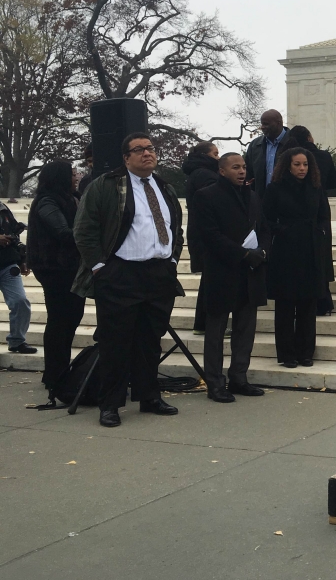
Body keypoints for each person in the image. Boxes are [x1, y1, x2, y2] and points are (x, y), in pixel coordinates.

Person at [73, 132, 184, 428]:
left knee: (150, 341)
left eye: (150, 148)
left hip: (158, 274)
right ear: (126, 158)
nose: (147, 153)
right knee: (115, 344)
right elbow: (84, 230)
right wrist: (100, 267)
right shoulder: (106, 186)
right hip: (120, 274)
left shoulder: (164, 187)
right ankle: (110, 404)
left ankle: (149, 397)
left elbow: (176, 228)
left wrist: (172, 259)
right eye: (138, 150)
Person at [192, 152, 268, 402]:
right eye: (236, 167)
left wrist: (262, 251)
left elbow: (263, 228)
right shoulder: (207, 196)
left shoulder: (253, 196)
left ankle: (239, 377)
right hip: (222, 271)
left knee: (245, 329)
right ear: (222, 171)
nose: (242, 171)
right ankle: (214, 382)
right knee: (216, 331)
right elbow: (210, 236)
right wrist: (243, 254)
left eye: (244, 166)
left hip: (251, 272)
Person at [262, 147, 331, 368]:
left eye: (305, 164)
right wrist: (283, 230)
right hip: (285, 251)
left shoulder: (315, 188)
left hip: (311, 249)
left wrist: (318, 235)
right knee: (285, 306)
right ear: (287, 166)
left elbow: (323, 216)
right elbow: (266, 219)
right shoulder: (275, 189)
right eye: (297, 164)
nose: (302, 168)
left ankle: (305, 352)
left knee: (308, 306)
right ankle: (287, 353)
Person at [26, 161, 84, 394]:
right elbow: (62, 232)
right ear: (60, 177)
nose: (77, 176)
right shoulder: (47, 201)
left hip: (70, 268)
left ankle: (57, 371)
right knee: (61, 320)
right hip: (54, 269)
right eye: (72, 174)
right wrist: (90, 233)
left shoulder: (72, 198)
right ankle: (55, 374)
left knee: (70, 318)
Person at [280, 126, 336, 315]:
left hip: (294, 215)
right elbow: (332, 183)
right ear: (309, 137)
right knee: (320, 257)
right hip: (317, 209)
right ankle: (323, 300)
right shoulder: (322, 156)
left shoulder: (284, 156)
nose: (302, 168)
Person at [182, 141, 220, 334]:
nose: (218, 158)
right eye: (215, 154)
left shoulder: (197, 174)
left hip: (199, 232)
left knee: (208, 281)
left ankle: (203, 323)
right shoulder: (206, 175)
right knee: (211, 281)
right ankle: (208, 324)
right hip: (207, 235)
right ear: (206, 156)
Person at [0, 199, 33, 355]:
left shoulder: (3, 208)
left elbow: (14, 235)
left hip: (7, 264)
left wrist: (22, 260)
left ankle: (17, 341)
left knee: (20, 301)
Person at [244, 109, 289, 199]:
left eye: (266, 124)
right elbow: (248, 172)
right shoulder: (255, 145)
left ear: (278, 123)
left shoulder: (294, 142)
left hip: (288, 204)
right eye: (262, 124)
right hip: (261, 202)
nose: (262, 127)